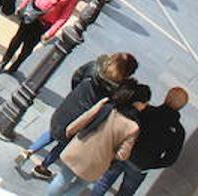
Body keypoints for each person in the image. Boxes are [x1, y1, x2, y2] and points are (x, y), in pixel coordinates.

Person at [19, 52, 139, 181]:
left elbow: (76, 77)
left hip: (70, 104)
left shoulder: (94, 66)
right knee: (64, 144)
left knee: (53, 131)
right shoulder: (117, 88)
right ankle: (43, 167)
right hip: (82, 118)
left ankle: (30, 150)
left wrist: (77, 92)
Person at [45, 83, 149, 194]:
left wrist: (70, 130)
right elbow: (122, 155)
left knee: (62, 179)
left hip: (79, 147)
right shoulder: (133, 127)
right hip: (98, 163)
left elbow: (84, 119)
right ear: (138, 103)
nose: (146, 106)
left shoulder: (106, 105)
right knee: (79, 185)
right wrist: (109, 154)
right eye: (145, 103)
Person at [90, 87, 188, 196]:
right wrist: (151, 164)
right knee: (126, 192)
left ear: (167, 98)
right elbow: (170, 159)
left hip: (124, 153)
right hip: (141, 166)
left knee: (104, 182)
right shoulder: (179, 132)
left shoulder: (148, 111)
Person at [0, 0, 85, 75]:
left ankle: (16, 65)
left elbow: (65, 15)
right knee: (18, 38)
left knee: (28, 47)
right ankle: (4, 61)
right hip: (33, 12)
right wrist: (23, 5)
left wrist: (51, 32)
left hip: (45, 22)